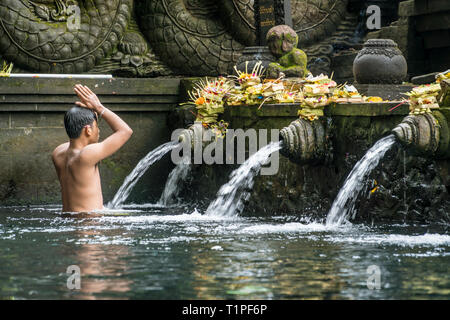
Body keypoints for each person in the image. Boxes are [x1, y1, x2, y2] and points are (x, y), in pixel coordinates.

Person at [52, 84, 133, 212]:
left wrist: (91, 112)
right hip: (89, 226)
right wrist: (99, 108)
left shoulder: (58, 153)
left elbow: (77, 140)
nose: (99, 131)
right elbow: (125, 131)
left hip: (71, 222)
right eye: (96, 126)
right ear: (88, 130)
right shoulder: (86, 155)